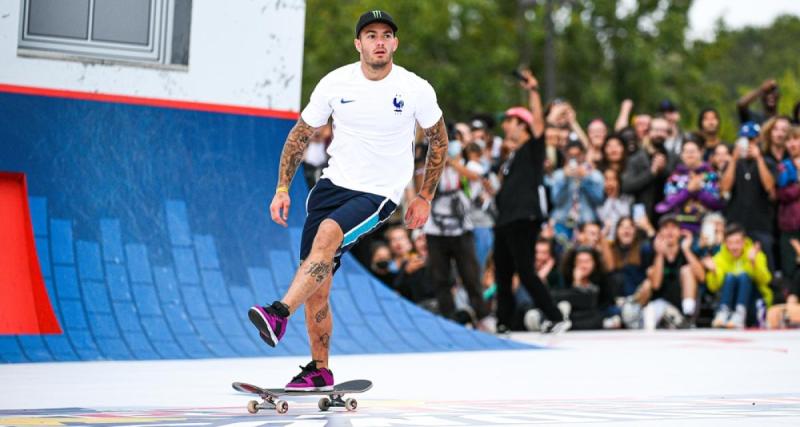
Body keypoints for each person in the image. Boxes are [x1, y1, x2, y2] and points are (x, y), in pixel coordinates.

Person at [248, 10, 447, 391]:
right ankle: (319, 369)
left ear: (395, 43)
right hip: (331, 187)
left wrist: (424, 195)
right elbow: (300, 134)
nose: (379, 42)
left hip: (380, 192)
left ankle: (277, 314)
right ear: (359, 43)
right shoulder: (335, 82)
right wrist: (281, 188)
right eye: (371, 35)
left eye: (386, 35)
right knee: (315, 281)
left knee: (327, 235)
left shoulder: (414, 88)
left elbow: (439, 139)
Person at [493, 68, 570, 334]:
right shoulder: (510, 158)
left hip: (523, 217)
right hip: (505, 219)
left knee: (525, 270)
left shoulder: (532, 148)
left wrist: (533, 91)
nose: (505, 126)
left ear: (523, 126)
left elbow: (539, 121)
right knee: (503, 273)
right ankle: (503, 321)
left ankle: (556, 316)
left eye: (510, 121)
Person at [721, 121, 777, 271]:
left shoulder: (768, 162)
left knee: (764, 267)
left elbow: (770, 187)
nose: (748, 143)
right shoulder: (732, 163)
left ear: (758, 140)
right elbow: (724, 188)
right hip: (736, 225)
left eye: (751, 140)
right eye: (745, 139)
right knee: (736, 269)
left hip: (761, 225)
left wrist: (759, 159)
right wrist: (733, 159)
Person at [706, 224, 773, 329]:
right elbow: (713, 287)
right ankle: (724, 312)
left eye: (738, 242)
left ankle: (740, 313)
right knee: (730, 277)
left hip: (752, 302)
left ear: (744, 241)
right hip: (731, 303)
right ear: (725, 243)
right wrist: (714, 272)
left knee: (744, 276)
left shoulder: (755, 254)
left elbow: (766, 280)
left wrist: (753, 263)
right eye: (730, 243)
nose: (734, 247)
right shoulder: (719, 258)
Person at [655, 138, 724, 233]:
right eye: (686, 151)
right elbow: (669, 202)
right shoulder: (674, 177)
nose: (689, 154)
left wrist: (699, 191)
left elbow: (717, 204)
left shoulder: (711, 175)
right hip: (679, 229)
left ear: (701, 152)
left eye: (693, 151)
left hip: (706, 229)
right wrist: (688, 191)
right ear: (681, 155)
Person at [549, 139, 605, 240]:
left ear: (583, 155)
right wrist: (564, 180)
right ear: (566, 155)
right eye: (571, 155)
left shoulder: (595, 175)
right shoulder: (558, 175)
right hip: (562, 222)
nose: (574, 158)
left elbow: (599, 200)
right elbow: (555, 201)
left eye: (577, 155)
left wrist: (585, 180)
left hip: (586, 223)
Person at [776, 127, 800, 280]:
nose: (792, 144)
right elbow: (783, 193)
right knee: (791, 272)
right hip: (791, 228)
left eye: (796, 139)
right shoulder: (784, 166)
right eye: (788, 140)